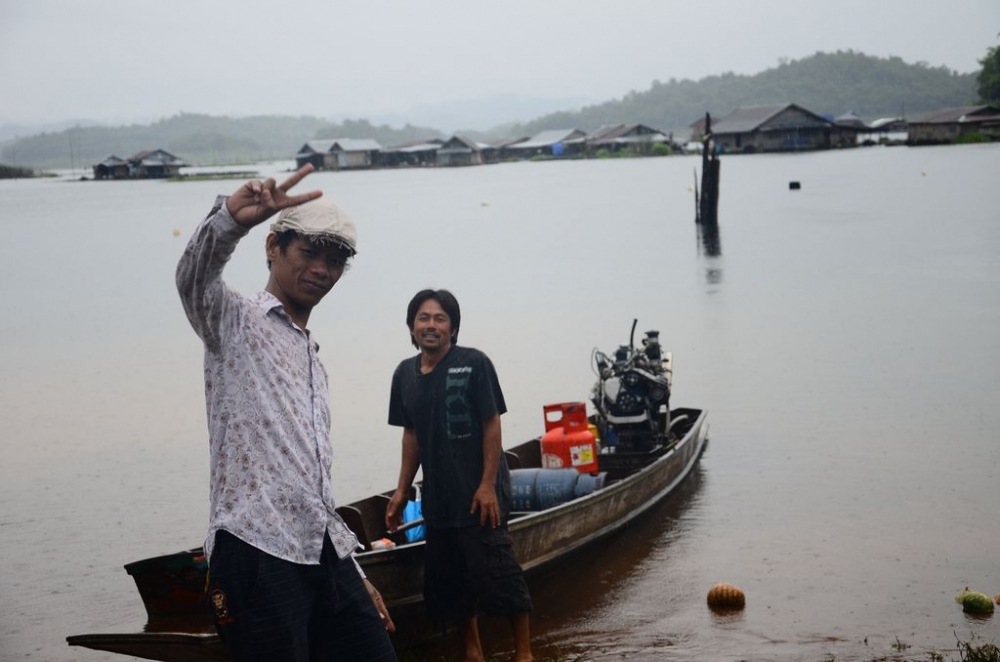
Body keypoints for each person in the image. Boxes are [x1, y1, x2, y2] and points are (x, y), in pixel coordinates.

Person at [176, 164, 397, 662]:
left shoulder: (311, 356)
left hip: (321, 550)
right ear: (273, 247)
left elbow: (311, 484)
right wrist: (232, 219)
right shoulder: (234, 320)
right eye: (309, 252)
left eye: (336, 260)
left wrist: (356, 576)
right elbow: (193, 279)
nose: (322, 268)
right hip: (255, 549)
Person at [385, 289, 533, 662]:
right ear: (411, 326)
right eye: (423, 318)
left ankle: (524, 653)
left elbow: (491, 422)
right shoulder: (405, 374)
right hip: (439, 496)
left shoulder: (474, 363)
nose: (431, 325)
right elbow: (411, 434)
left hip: (479, 491)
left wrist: (487, 486)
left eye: (440, 318)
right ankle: (472, 651)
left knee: (498, 572)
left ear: (453, 327)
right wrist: (402, 489)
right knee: (451, 578)